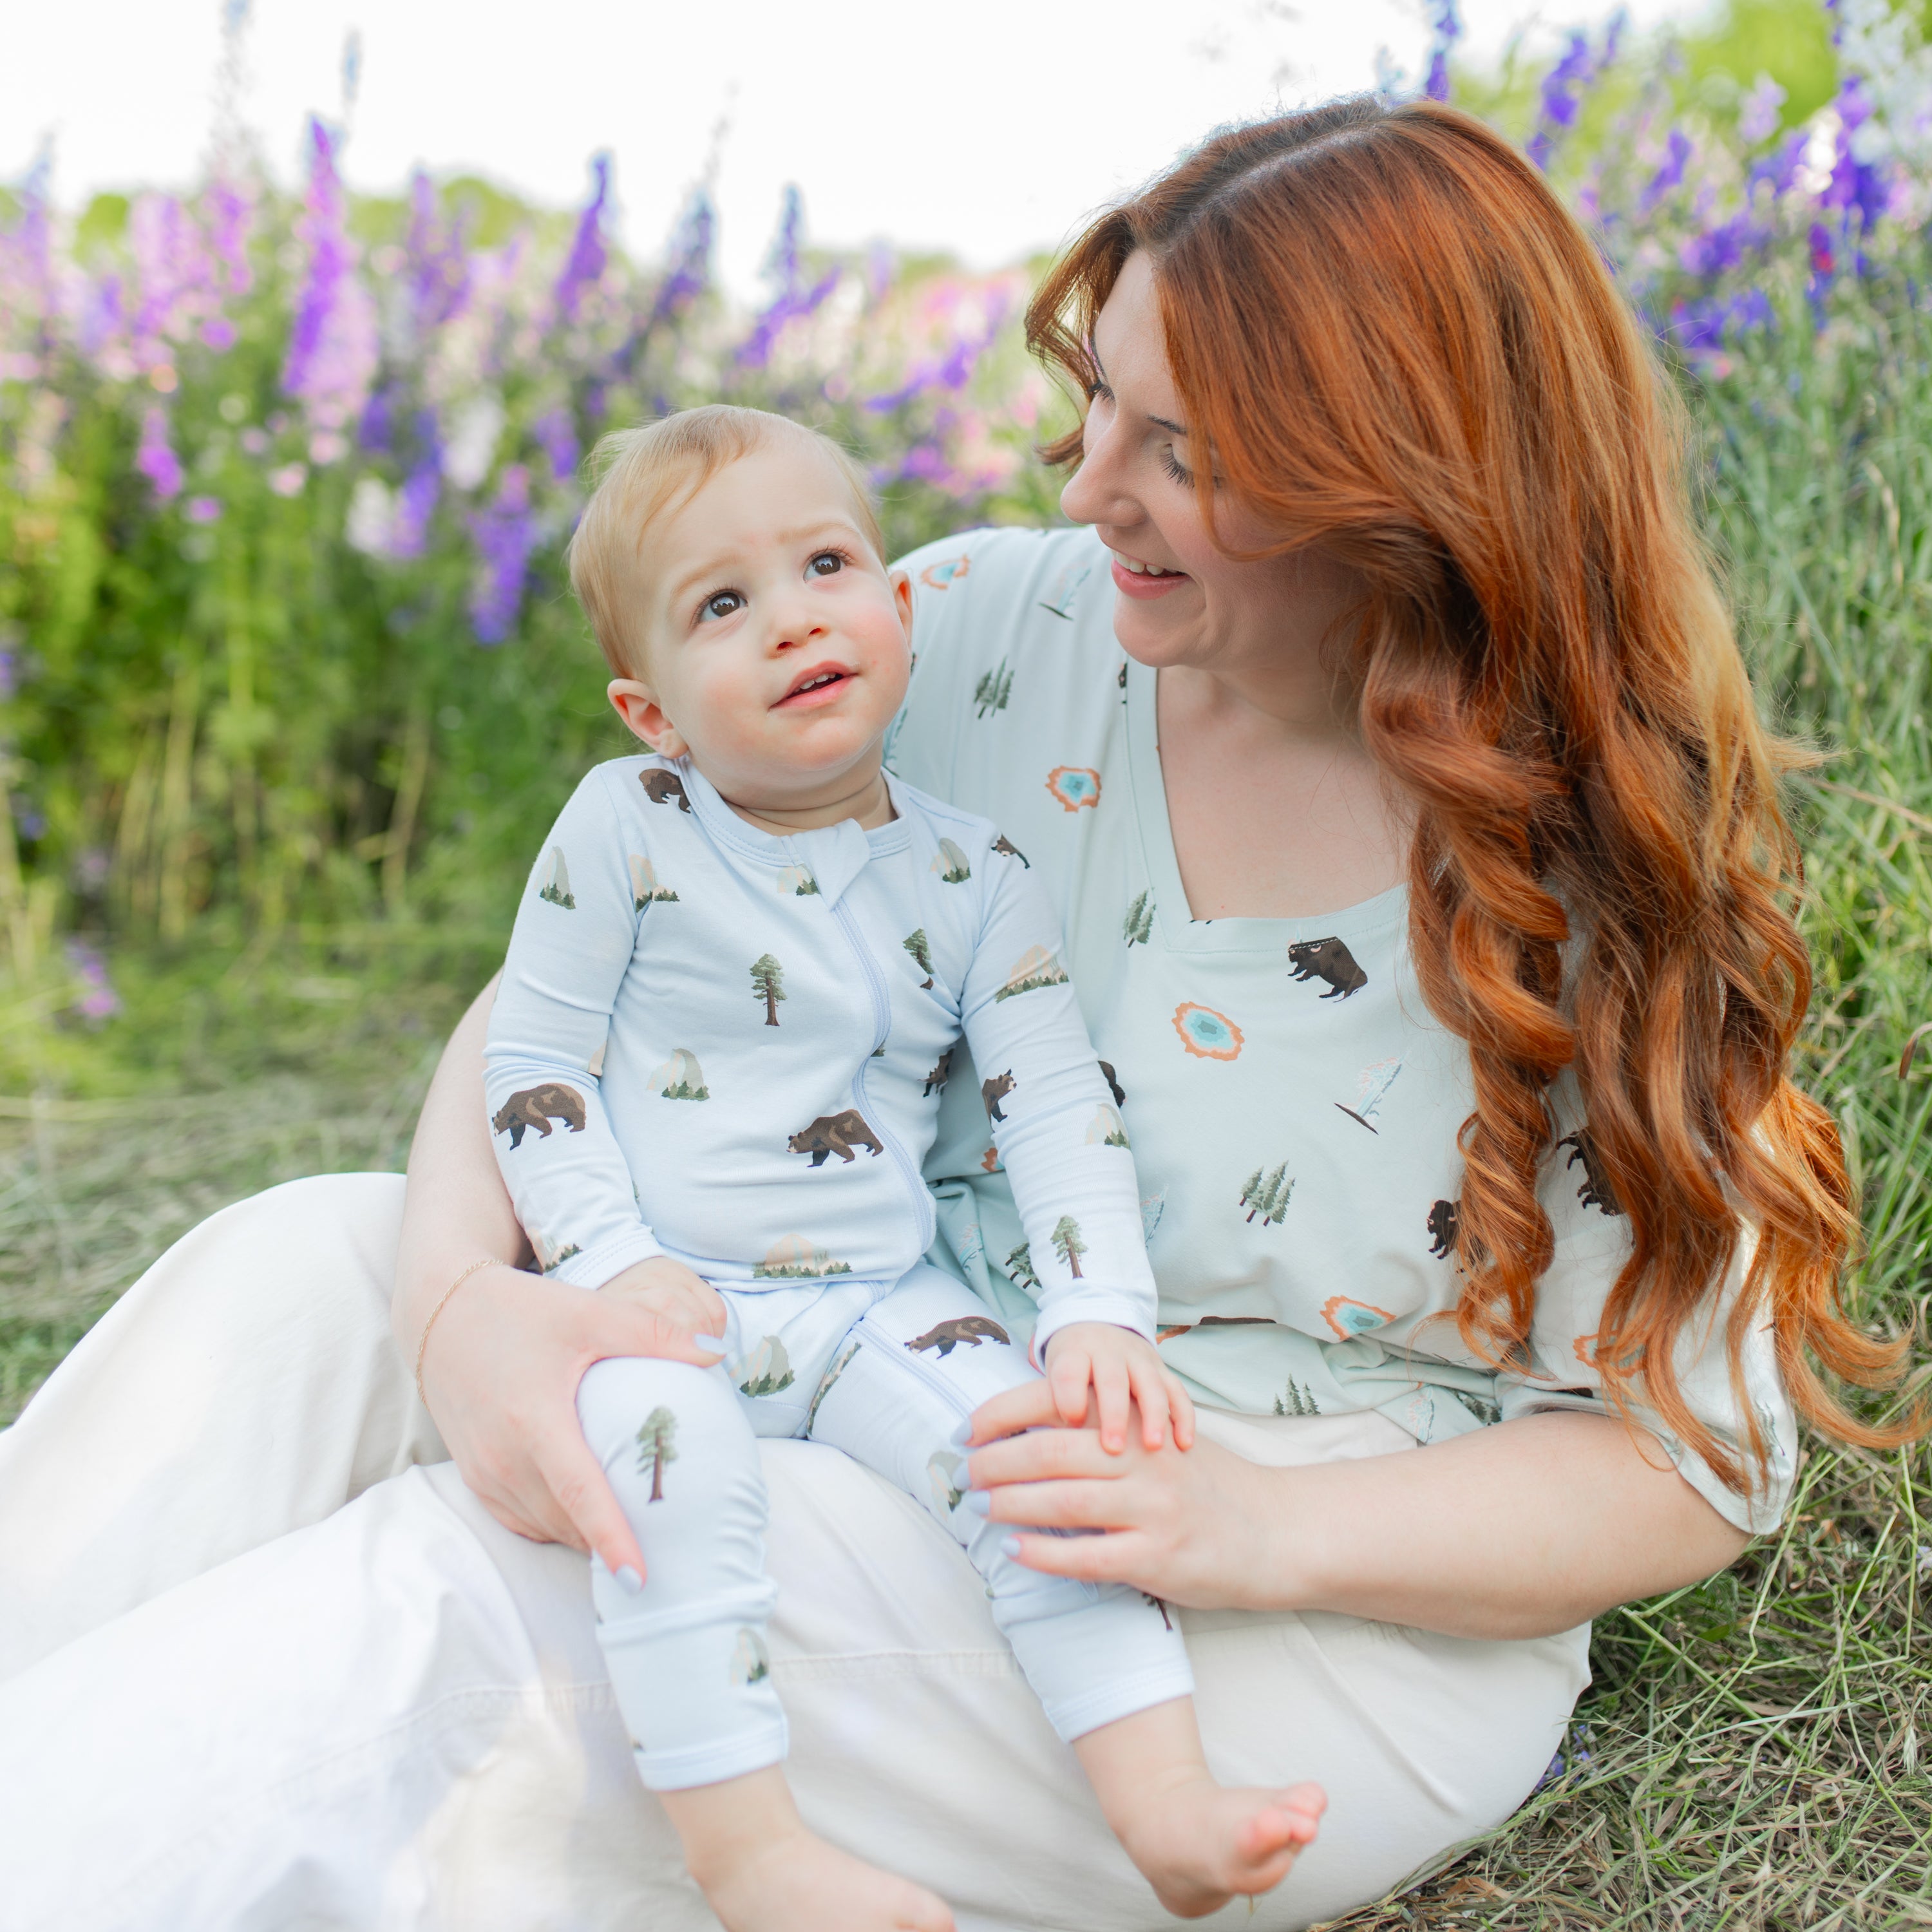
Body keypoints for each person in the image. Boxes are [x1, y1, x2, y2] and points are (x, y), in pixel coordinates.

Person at [0, 97, 1908, 1932]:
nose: (1086, 487)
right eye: (1097, 408)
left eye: (1177, 447)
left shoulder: (1599, 869)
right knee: (292, 1281)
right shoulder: (990, 626)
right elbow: (564, 985)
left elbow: (1689, 1465)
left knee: (473, 1605)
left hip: (1229, 1599)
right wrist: (469, 1313)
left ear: (1392, 476)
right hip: (838, 1329)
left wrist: (1245, 1528)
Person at [482, 402, 1321, 1927]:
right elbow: (530, 1068)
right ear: (650, 710)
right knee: (666, 1489)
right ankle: (749, 1851)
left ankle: (1165, 1804)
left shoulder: (970, 871)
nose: (793, 617)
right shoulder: (627, 832)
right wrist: (611, 1272)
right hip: (674, 1295)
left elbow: (1054, 1099)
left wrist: (1097, 1316)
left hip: (886, 1294)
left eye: (824, 563)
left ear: (896, 605)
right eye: (722, 606)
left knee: (1048, 1467)